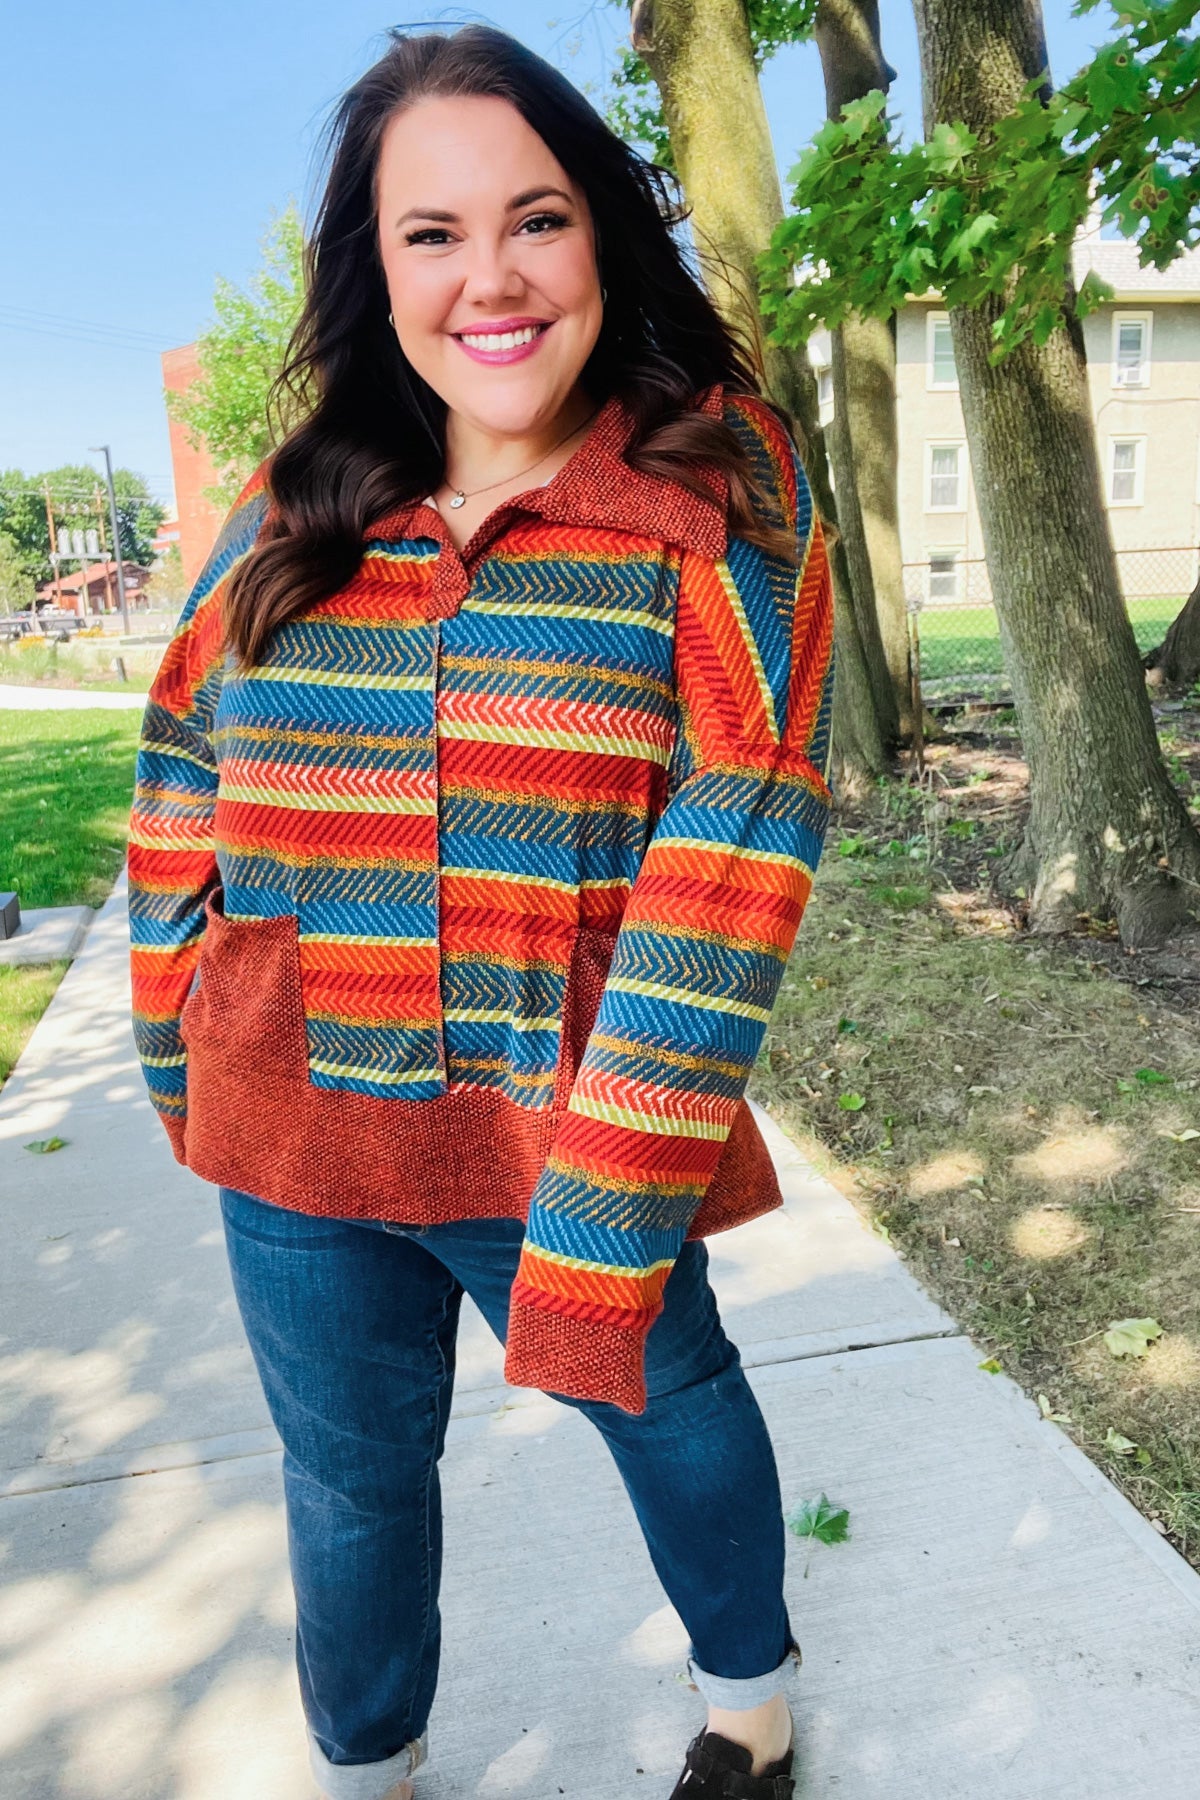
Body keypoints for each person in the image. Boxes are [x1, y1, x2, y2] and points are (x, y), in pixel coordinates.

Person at [128, 22, 835, 1800]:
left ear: (603, 233)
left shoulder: (713, 490)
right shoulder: (302, 502)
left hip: (571, 1117)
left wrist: (615, 1185)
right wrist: (174, 1045)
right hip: (295, 1136)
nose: (491, 278)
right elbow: (180, 758)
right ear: (379, 272)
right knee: (348, 1480)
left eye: (536, 218)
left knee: (671, 1406)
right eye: (432, 234)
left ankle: (750, 1705)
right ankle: (372, 1768)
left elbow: (741, 827)